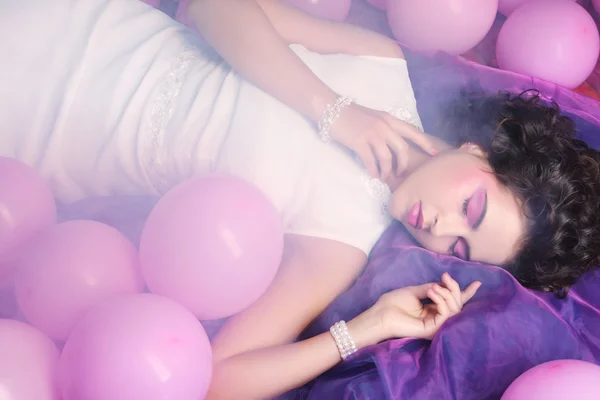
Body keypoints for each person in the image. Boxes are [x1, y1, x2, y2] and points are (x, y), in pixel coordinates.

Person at [1, 0, 599, 398]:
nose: (439, 229)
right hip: (76, 18)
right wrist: (335, 113)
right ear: (478, 152)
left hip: (35, 127)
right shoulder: (383, 66)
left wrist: (369, 326)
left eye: (460, 245)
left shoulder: (342, 243)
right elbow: (207, 6)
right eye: (470, 208)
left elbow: (221, 380)